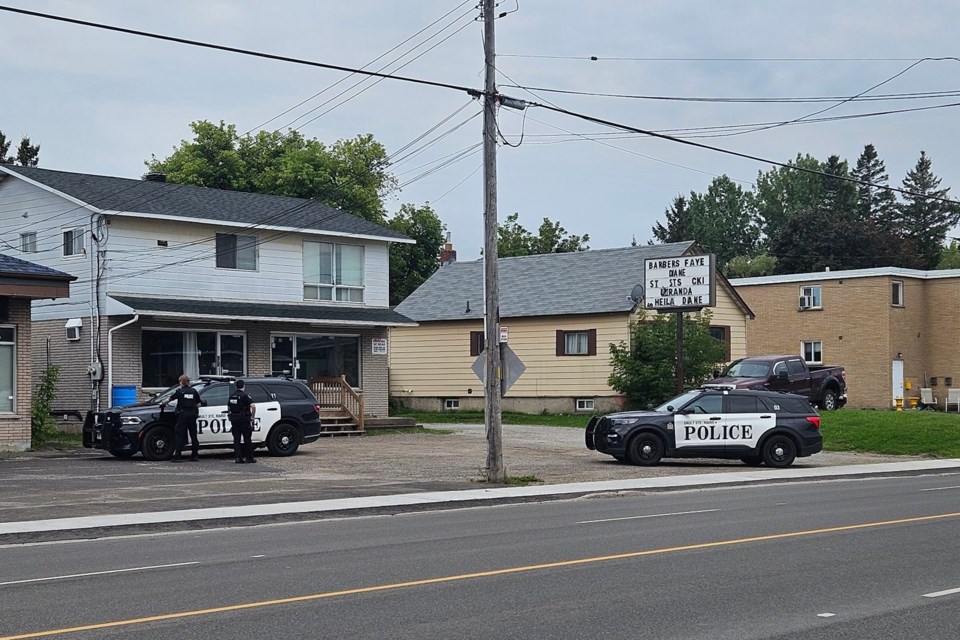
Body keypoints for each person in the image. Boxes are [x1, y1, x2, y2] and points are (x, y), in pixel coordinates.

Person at [161, 374, 201, 462]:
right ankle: (195, 455)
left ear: (181, 382)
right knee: (193, 435)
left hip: (182, 416)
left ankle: (177, 456)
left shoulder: (179, 391)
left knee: (179, 435)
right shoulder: (194, 391)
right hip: (192, 416)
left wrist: (163, 403)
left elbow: (169, 399)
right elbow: (198, 404)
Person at [228, 379, 257, 464]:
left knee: (236, 439)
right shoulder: (245, 396)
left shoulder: (232, 396)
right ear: (244, 386)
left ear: (236, 386)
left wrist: (231, 415)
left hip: (234, 419)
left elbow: (229, 408)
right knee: (247, 439)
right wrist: (252, 417)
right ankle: (249, 458)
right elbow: (253, 406)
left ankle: (238, 458)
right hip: (244, 419)